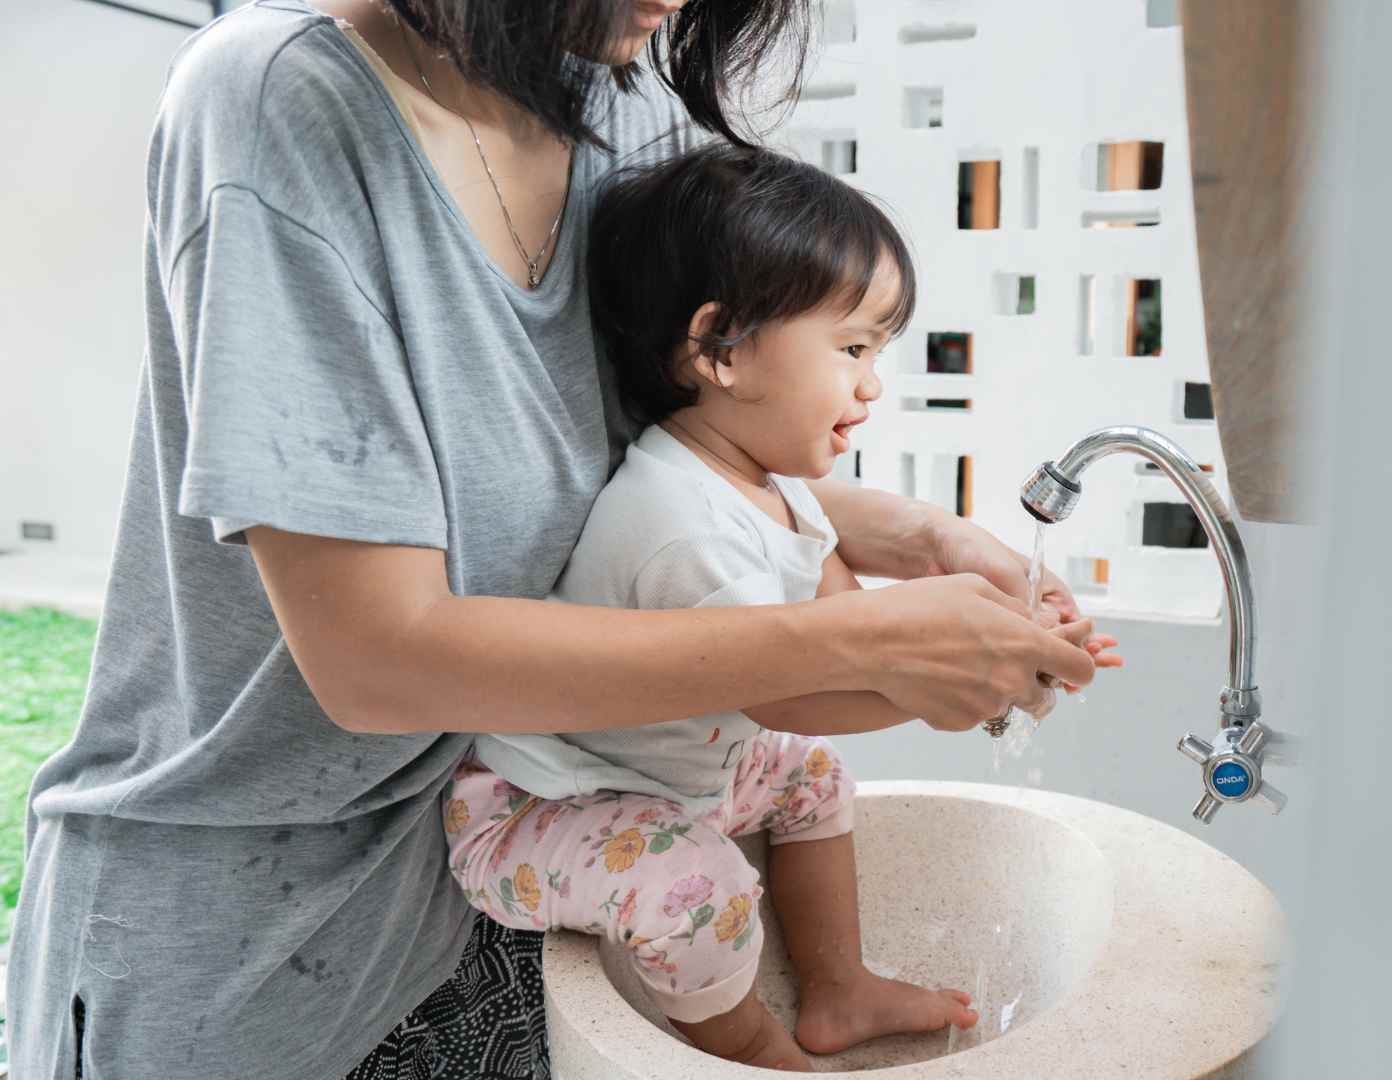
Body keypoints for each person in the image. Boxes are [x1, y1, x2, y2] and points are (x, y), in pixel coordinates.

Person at [4, 2, 1097, 1077]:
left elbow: (658, 462)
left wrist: (921, 539)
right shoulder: (279, 101)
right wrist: (875, 648)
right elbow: (379, 662)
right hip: (251, 957)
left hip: (506, 912)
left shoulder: (624, 124)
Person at [445, 142, 1122, 1071]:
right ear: (720, 348)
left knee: (810, 775)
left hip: (666, 771)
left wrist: (1003, 640)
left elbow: (835, 621)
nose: (873, 383)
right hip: (542, 806)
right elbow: (794, 692)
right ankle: (755, 1047)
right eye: (852, 349)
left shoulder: (759, 478)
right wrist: (946, 688)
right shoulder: (679, 520)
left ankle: (838, 986)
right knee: (698, 887)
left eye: (876, 351)